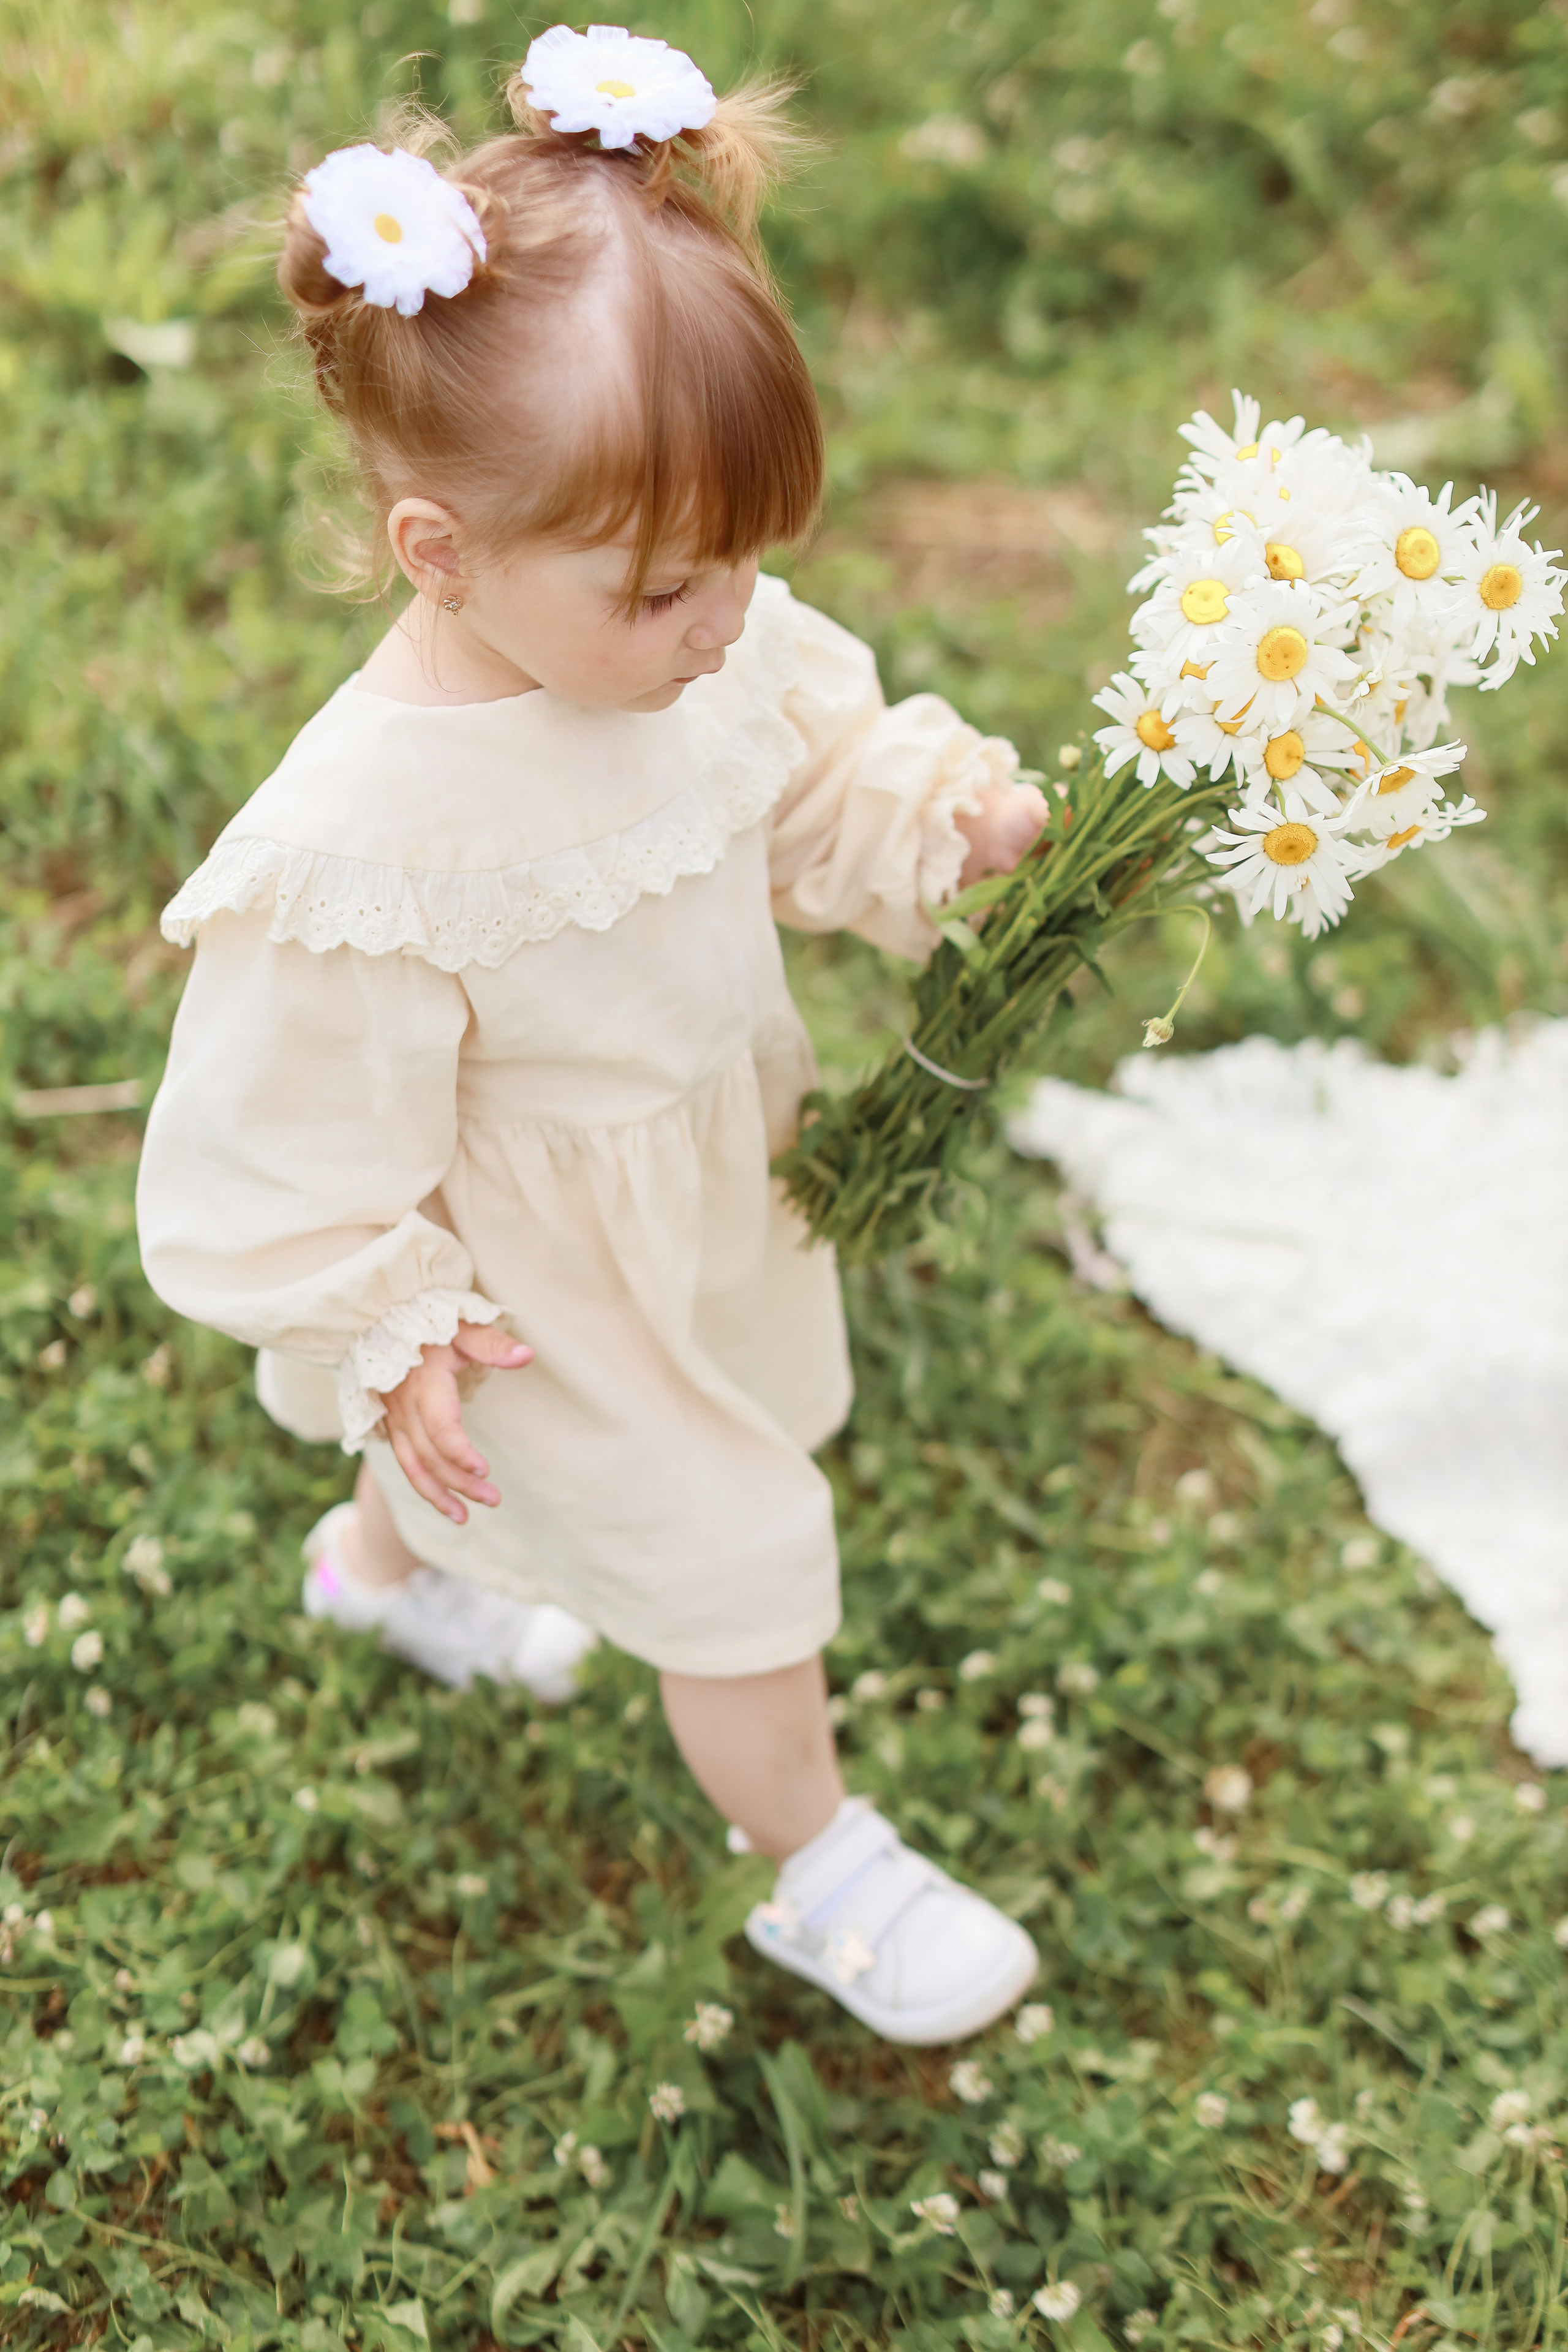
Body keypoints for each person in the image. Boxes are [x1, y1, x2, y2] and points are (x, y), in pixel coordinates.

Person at [136, 24, 1047, 2046]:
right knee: (733, 1539)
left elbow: (809, 778)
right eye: (663, 589)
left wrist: (942, 823)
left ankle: (385, 1577)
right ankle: (824, 1869)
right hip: (525, 1296)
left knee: (647, 1438)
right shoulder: (363, 843)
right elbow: (275, 1137)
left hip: (697, 1177)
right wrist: (387, 1321)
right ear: (441, 553)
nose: (723, 621)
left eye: (746, 562)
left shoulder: (696, 645)